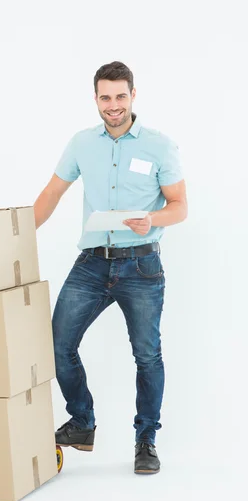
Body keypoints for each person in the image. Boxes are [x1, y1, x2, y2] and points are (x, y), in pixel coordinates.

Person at [33, 61, 187, 474]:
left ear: (133, 96)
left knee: (147, 355)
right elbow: (52, 193)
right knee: (58, 344)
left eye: (121, 96)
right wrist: (16, 233)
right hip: (91, 265)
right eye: (105, 97)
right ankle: (82, 422)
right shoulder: (82, 143)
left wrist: (151, 220)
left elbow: (179, 207)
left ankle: (146, 440)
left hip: (142, 265)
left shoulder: (159, 145)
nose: (113, 105)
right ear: (96, 98)